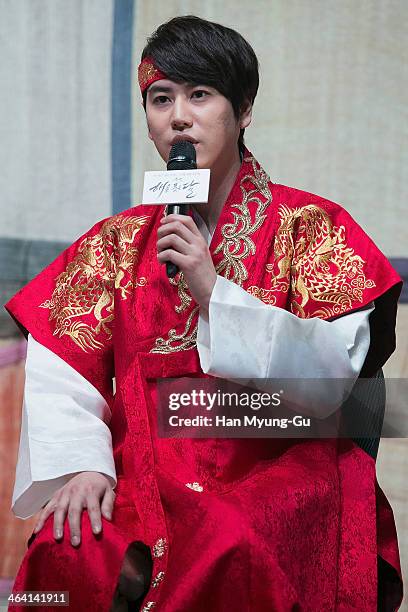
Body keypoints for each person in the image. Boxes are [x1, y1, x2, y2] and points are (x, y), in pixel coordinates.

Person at [6, 15, 403, 612]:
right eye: (161, 99)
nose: (179, 118)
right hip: (144, 465)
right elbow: (63, 364)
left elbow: (335, 379)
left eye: (200, 95)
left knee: (228, 537)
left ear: (243, 111)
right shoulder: (116, 243)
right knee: (71, 547)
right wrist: (83, 466)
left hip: (278, 459)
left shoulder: (312, 228)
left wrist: (214, 291)